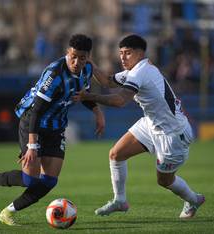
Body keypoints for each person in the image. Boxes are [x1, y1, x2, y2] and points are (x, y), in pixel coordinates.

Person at [0, 34, 105, 226]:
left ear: (88, 57)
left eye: (82, 58)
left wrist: (97, 112)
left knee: (50, 180)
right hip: (33, 123)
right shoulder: (54, 74)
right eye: (73, 56)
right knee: (29, 179)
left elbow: (81, 94)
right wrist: (32, 146)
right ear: (68, 52)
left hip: (56, 126)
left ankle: (7, 212)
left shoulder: (87, 70)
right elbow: (37, 110)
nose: (77, 62)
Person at [73, 34, 205, 219]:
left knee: (164, 181)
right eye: (121, 53)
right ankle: (120, 201)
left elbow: (120, 101)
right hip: (151, 123)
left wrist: (88, 97)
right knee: (115, 154)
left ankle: (194, 199)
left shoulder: (140, 72)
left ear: (140, 53)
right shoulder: (134, 70)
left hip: (172, 134)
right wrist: (89, 62)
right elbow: (107, 81)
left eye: (127, 53)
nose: (122, 57)